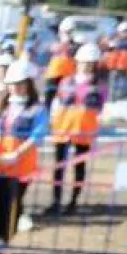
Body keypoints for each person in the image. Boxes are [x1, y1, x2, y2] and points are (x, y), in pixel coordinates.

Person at [0, 63, 44, 254]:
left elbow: (37, 134)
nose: (16, 88)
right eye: (12, 84)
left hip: (20, 167)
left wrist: (17, 154)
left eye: (20, 84)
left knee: (12, 206)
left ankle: (5, 242)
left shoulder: (36, 109)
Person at [47, 46, 103, 216]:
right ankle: (56, 201)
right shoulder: (65, 82)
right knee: (59, 167)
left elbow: (100, 108)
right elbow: (57, 103)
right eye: (83, 62)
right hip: (63, 129)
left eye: (90, 63)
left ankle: (73, 201)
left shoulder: (99, 86)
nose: (85, 66)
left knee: (79, 167)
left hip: (84, 131)